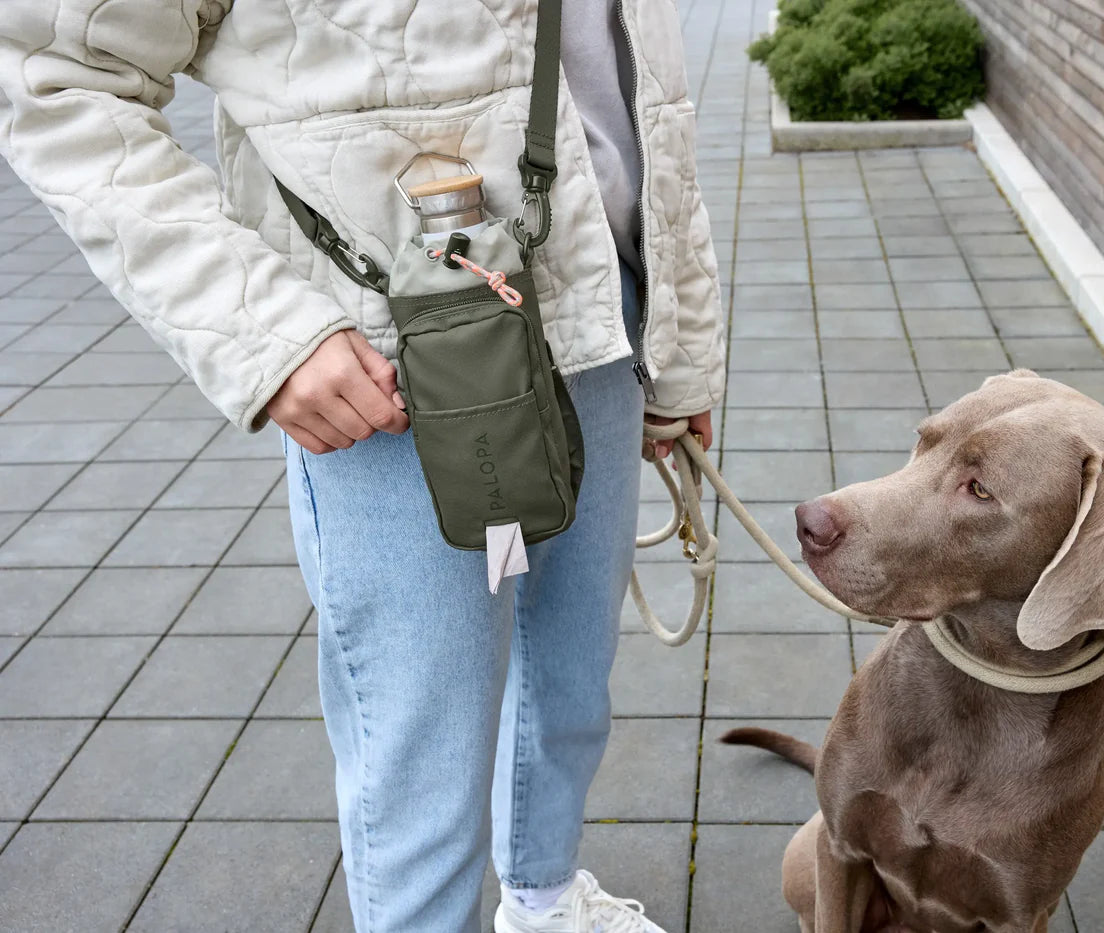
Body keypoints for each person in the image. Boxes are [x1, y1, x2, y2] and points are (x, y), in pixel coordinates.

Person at [0, 0, 724, 930]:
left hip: (604, 308)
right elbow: (51, 71)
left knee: (572, 678)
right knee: (423, 750)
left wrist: (683, 335)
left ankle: (543, 901)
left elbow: (643, 91)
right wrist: (272, 335)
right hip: (394, 353)